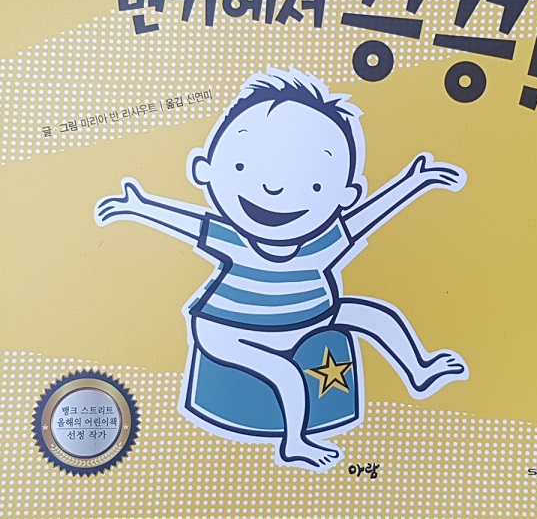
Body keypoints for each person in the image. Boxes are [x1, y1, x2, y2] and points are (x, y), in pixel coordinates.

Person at [96, 68, 468, 471]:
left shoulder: (320, 245)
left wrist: (412, 183)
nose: (273, 190)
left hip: (305, 319)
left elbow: (366, 219)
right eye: (242, 168)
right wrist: (141, 207)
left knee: (373, 315)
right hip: (230, 331)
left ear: (345, 195)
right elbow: (189, 223)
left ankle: (419, 369)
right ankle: (295, 442)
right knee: (286, 374)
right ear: (206, 169)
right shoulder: (233, 239)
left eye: (313, 186)